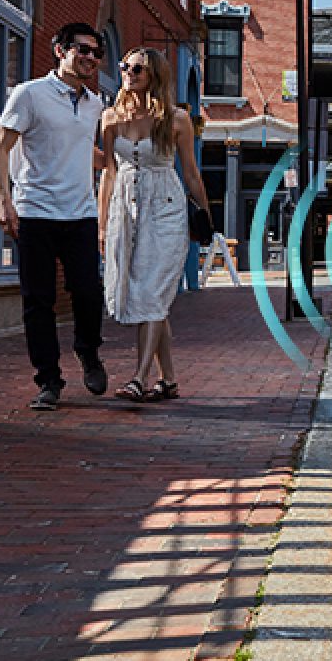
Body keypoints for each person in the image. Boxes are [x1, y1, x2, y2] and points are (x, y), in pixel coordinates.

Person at [0, 22, 109, 411]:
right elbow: (1, 147)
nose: (90, 58)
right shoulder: (29, 94)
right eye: (82, 49)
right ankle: (49, 380)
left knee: (88, 292)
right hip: (35, 211)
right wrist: (3, 200)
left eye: (96, 52)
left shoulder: (95, 104)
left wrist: (127, 159)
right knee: (38, 300)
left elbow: (82, 149)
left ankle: (88, 352)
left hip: (81, 213)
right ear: (60, 50)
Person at [99, 47, 209, 402]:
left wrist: (205, 218)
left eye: (138, 69)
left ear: (155, 76)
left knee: (152, 292)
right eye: (125, 66)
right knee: (148, 297)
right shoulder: (110, 117)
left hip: (166, 208)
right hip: (125, 211)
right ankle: (169, 380)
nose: (128, 73)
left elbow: (190, 172)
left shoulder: (176, 119)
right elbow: (109, 173)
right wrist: (102, 224)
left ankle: (139, 378)